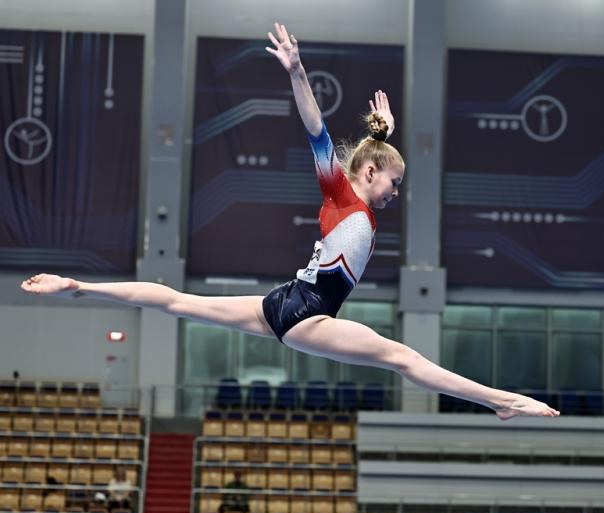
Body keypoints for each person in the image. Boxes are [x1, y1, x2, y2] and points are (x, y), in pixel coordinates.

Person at [19, 22, 558, 422]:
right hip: (308, 313)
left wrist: (384, 134)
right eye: (394, 183)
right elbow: (317, 130)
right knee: (402, 357)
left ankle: (77, 285)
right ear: (371, 173)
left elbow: (364, 155)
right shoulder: (340, 191)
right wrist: (298, 71)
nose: (396, 194)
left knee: (176, 301)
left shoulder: (355, 193)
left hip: (284, 302)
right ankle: (502, 401)